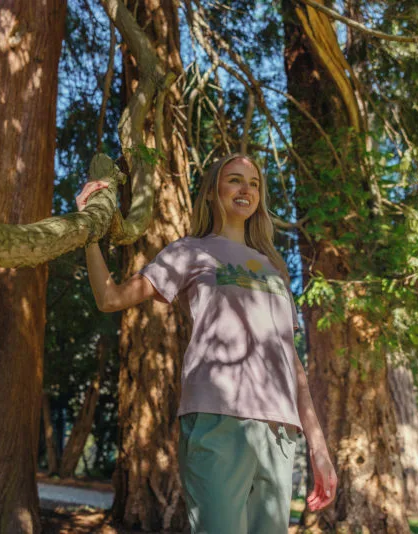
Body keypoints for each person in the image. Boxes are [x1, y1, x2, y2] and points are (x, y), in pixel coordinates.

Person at [75, 153, 337, 534]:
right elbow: (110, 298)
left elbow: (292, 362)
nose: (246, 189)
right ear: (213, 192)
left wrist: (318, 446)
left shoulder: (274, 268)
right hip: (217, 419)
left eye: (254, 183)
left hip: (280, 433)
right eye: (235, 179)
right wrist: (89, 231)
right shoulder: (189, 251)